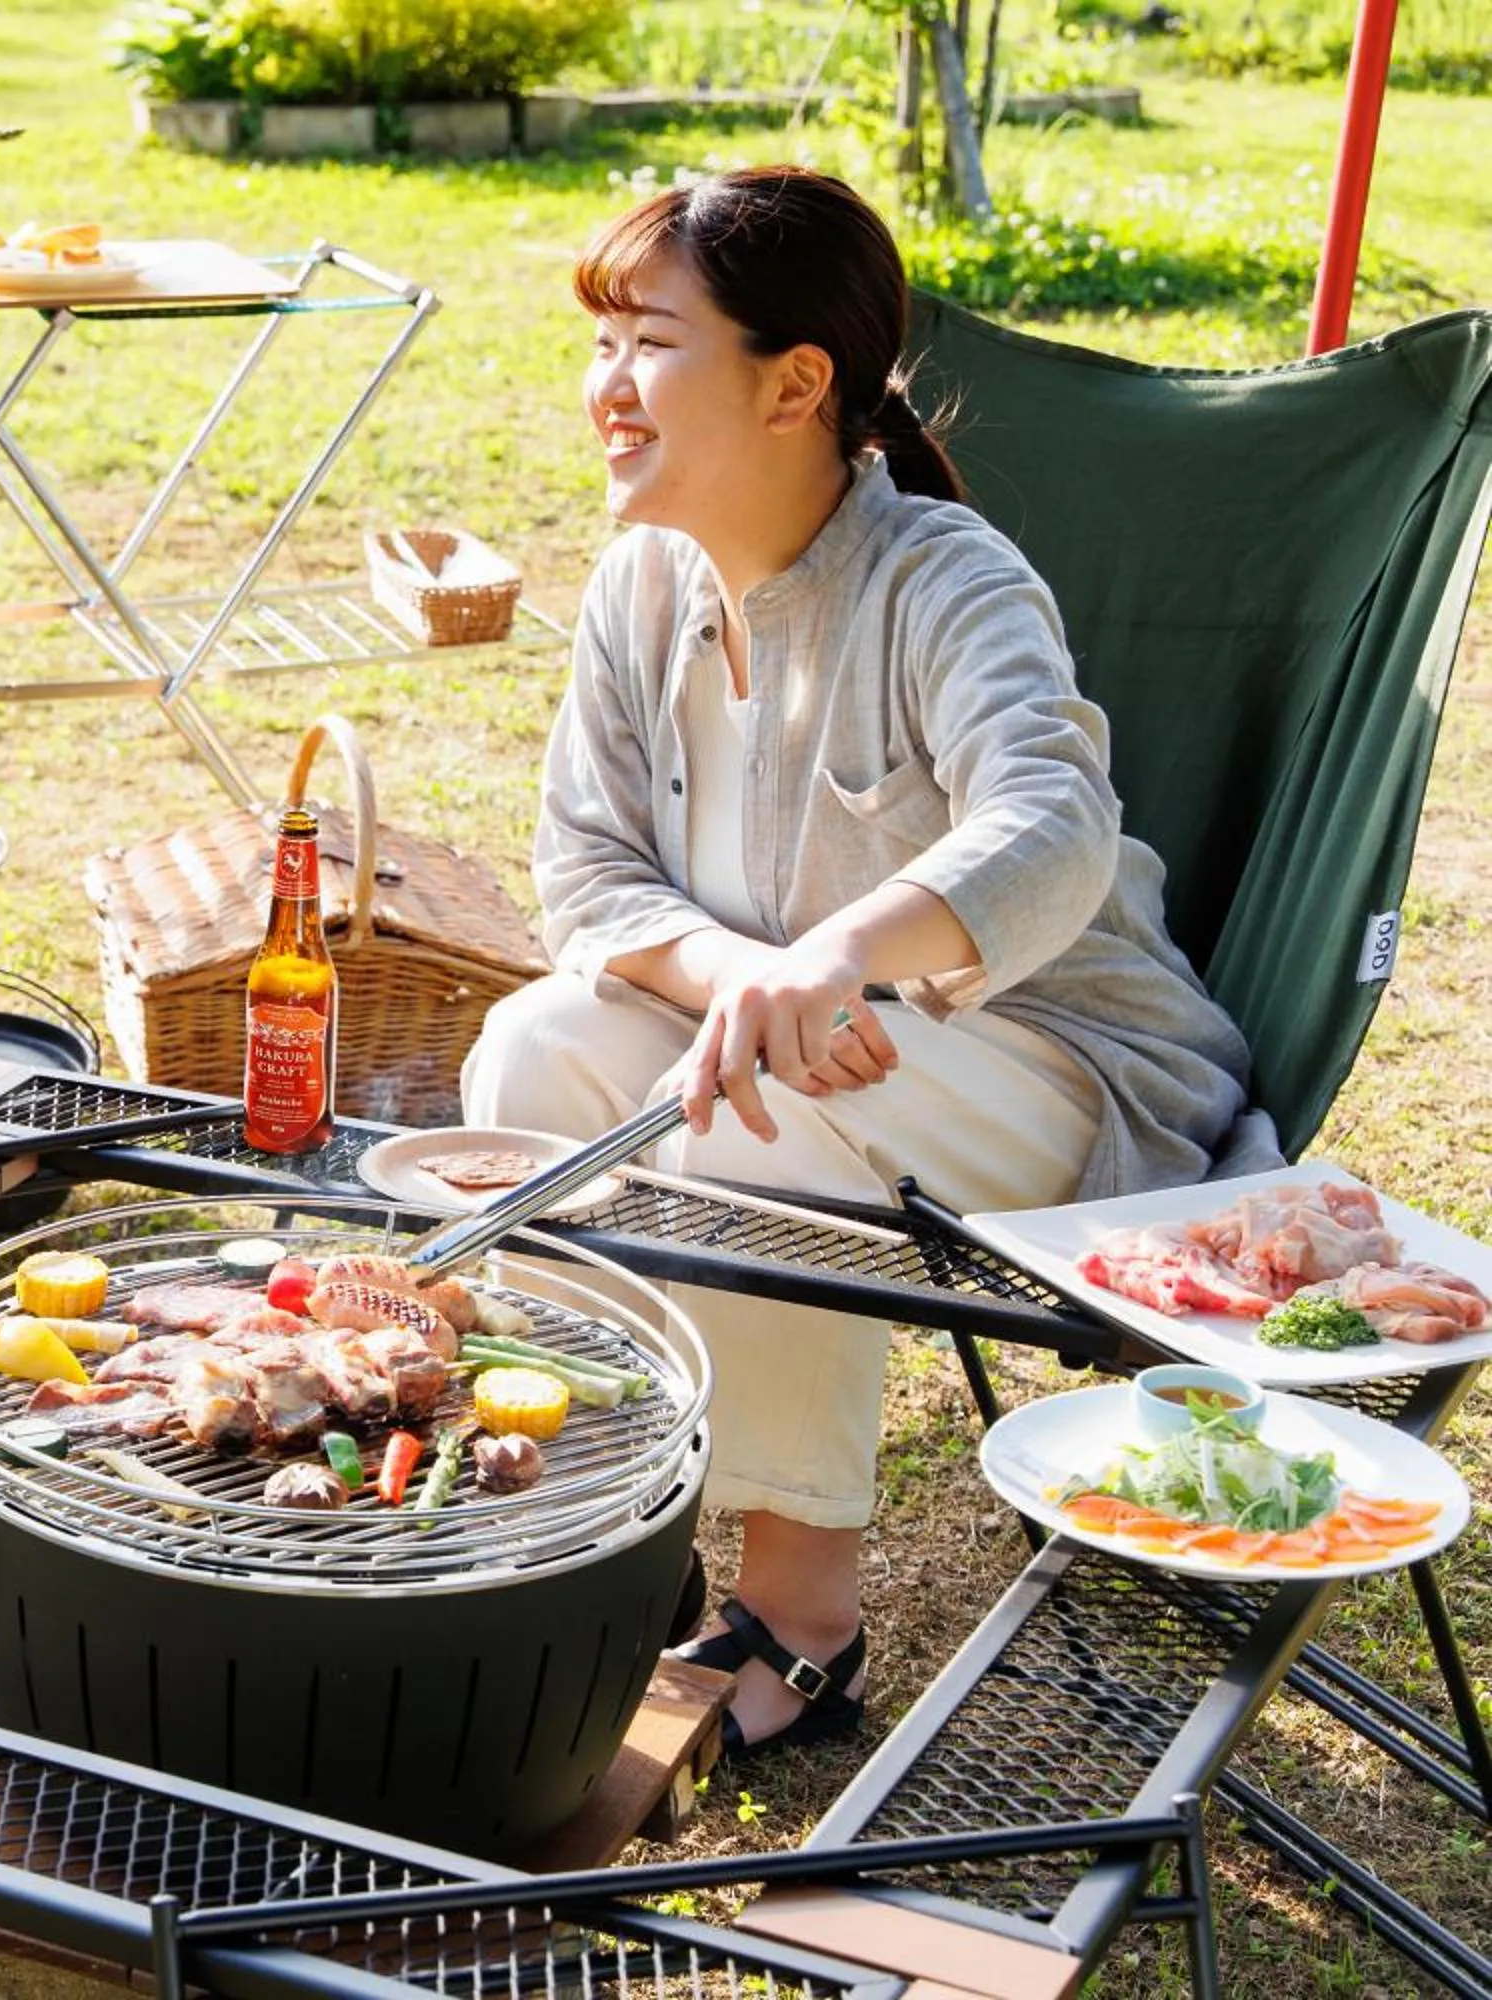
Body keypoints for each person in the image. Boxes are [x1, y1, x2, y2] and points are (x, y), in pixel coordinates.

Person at [459, 166, 1271, 1759]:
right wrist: (747, 980)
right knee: (534, 1051)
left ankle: (804, 1617)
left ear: (798, 384)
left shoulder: (945, 581)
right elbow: (588, 875)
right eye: (599, 342)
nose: (603, 389)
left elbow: (1056, 824)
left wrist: (830, 957)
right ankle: (601, 1525)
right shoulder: (641, 584)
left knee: (763, 1109)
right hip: (820, 1054)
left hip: (1069, 1073)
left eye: (648, 344)